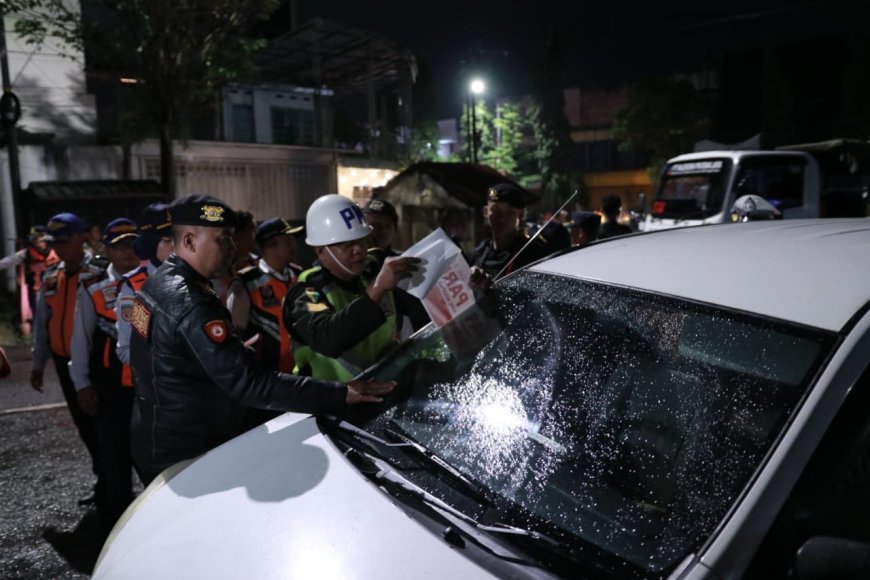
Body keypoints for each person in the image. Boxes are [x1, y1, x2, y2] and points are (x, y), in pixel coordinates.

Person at [128, 195, 394, 485]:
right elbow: (249, 383)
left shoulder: (160, 282)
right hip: (187, 450)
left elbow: (167, 358)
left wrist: (223, 354)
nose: (233, 248)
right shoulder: (192, 302)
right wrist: (340, 393)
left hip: (161, 434)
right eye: (223, 239)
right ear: (190, 241)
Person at [283, 194, 419, 382]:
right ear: (321, 251)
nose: (359, 250)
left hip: (382, 394)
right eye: (348, 244)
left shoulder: (373, 269)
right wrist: (377, 289)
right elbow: (329, 337)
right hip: (330, 406)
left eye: (362, 240)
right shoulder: (307, 292)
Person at [68, 217, 141, 526]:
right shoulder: (92, 287)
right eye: (119, 246)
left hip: (148, 388)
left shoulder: (153, 278)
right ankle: (119, 525)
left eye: (131, 244)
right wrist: (81, 383)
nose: (127, 251)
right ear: (106, 251)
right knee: (115, 460)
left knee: (152, 456)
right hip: (111, 390)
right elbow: (80, 341)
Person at [30, 212, 105, 505]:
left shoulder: (98, 272)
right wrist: (38, 364)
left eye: (63, 242)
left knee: (104, 426)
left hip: (94, 364)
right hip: (64, 363)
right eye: (54, 243)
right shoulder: (51, 276)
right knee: (84, 425)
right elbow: (42, 324)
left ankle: (116, 487)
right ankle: (104, 481)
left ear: (80, 238)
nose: (57, 249)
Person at [115, 203, 175, 368]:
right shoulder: (135, 287)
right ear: (150, 243)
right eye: (167, 240)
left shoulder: (195, 278)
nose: (175, 246)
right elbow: (126, 349)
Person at [362, 198, 429, 337]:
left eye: (389, 226)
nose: (384, 232)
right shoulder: (353, 266)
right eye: (375, 226)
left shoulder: (408, 262)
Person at [469, 183, 550, 285]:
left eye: (509, 211)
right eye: (495, 210)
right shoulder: (477, 255)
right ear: (486, 212)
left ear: (520, 215)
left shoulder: (534, 255)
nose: (502, 217)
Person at [0, 225, 59, 335]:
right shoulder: (26, 253)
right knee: (40, 322)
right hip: (37, 293)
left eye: (37, 237)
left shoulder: (57, 251)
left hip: (57, 292)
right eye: (33, 238)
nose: (34, 241)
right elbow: (6, 262)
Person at [213, 210, 257, 303]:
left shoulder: (257, 262)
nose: (254, 237)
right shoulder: (219, 264)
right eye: (252, 231)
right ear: (238, 235)